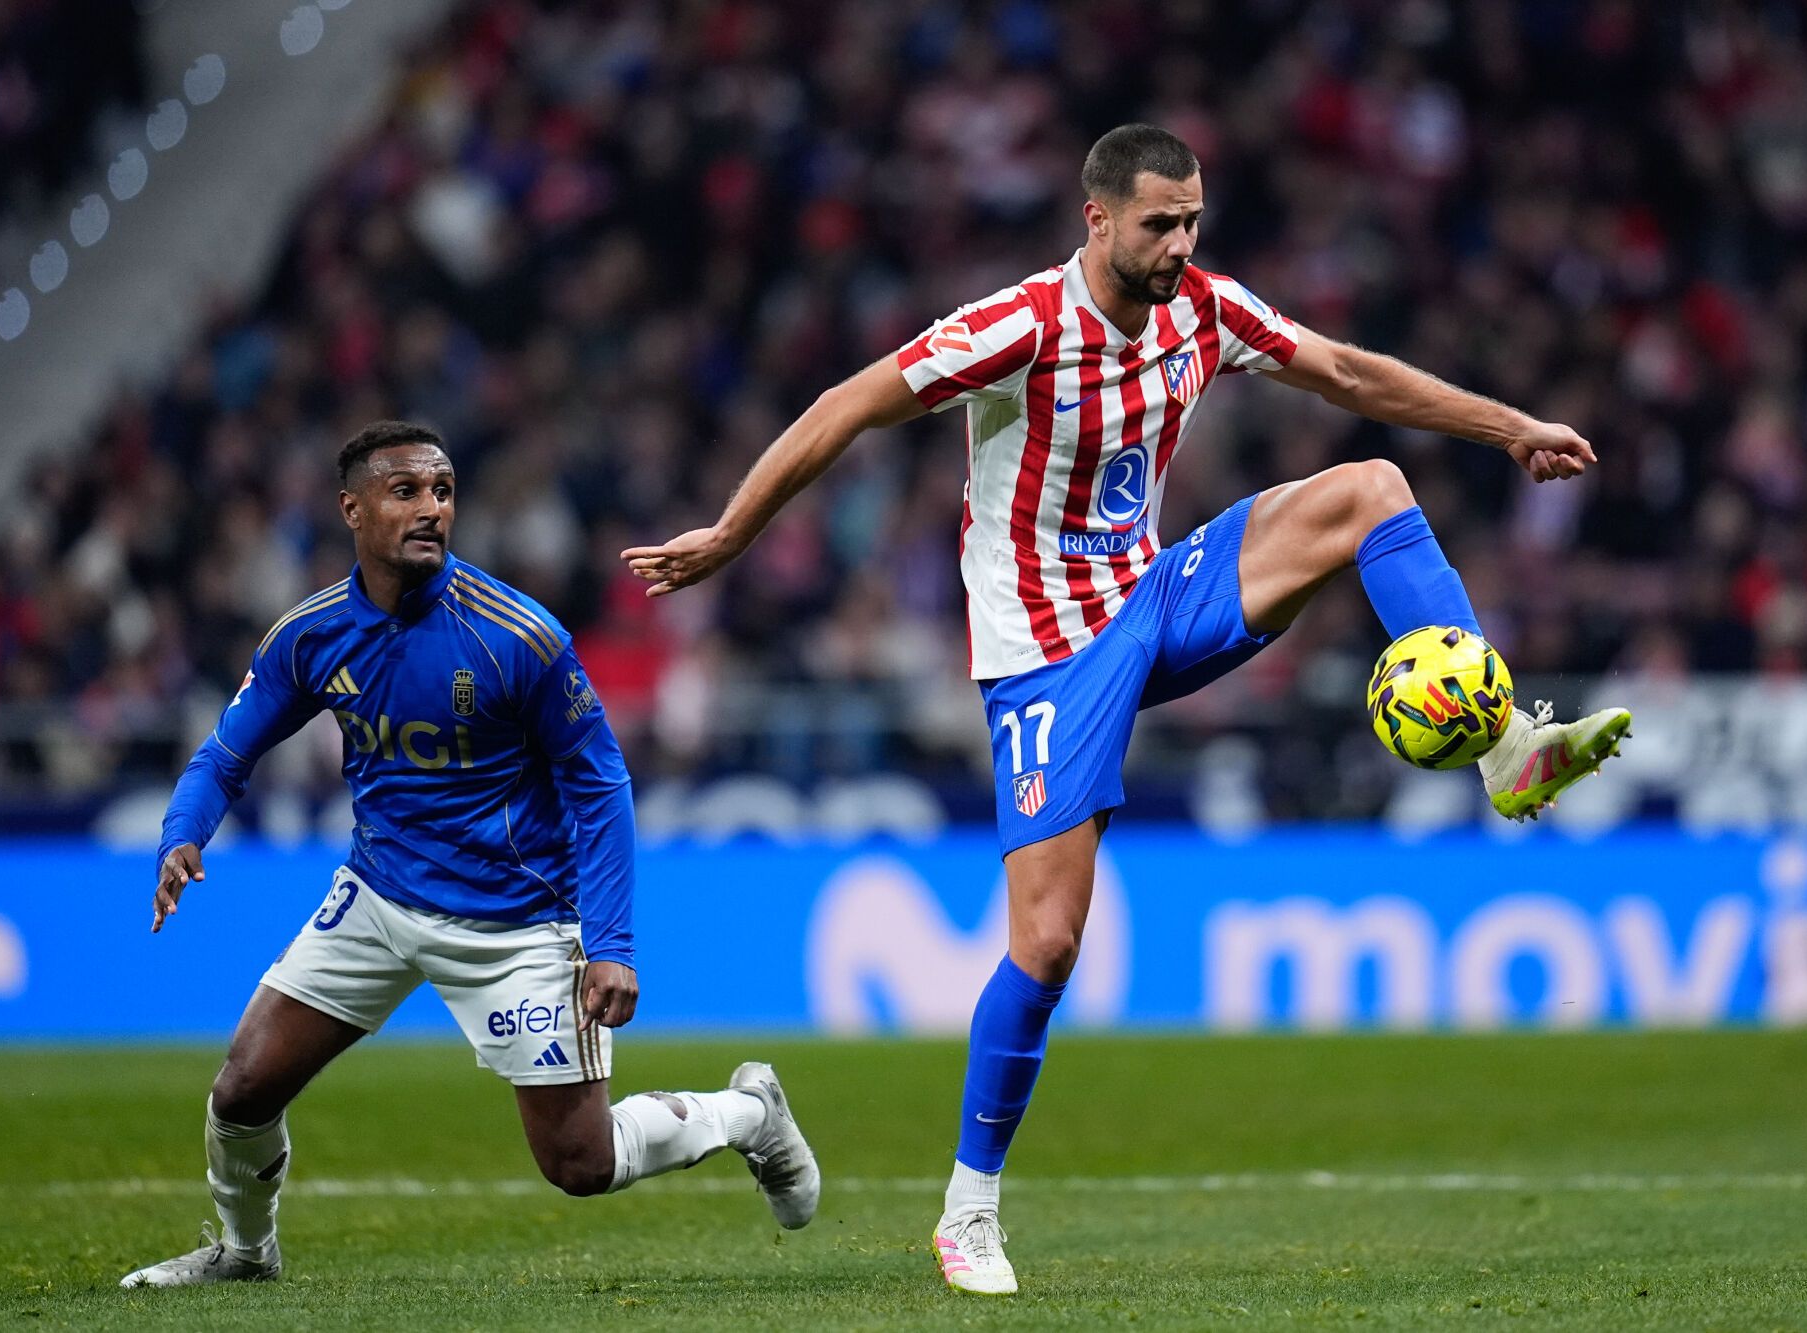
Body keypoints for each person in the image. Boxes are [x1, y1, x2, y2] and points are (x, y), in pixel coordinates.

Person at [621, 125, 1629, 1295]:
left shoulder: (1204, 308)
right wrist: (731, 532)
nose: (1179, 244)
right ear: (1095, 219)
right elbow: (850, 402)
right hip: (1043, 658)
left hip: (1151, 596)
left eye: (1191, 220)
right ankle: (968, 1212)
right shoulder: (1019, 325)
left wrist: (1510, 427)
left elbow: (1348, 373)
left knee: (1371, 489)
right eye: (1159, 223)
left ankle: (1504, 746)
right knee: (1046, 943)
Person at [121, 421, 819, 1289]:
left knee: (580, 1162)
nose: (431, 509)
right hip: (375, 900)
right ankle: (245, 1251)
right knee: (242, 1091)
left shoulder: (516, 635)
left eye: (443, 491)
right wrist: (182, 834)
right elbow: (226, 754)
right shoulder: (311, 635)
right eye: (406, 491)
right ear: (353, 508)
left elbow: (600, 784)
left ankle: (747, 1112)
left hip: (514, 920)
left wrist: (610, 943)